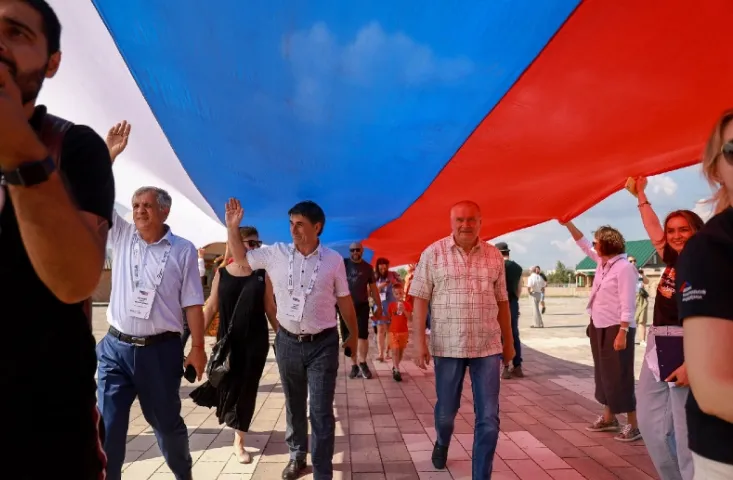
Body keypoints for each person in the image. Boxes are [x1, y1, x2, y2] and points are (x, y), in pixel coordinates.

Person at [0, 0, 113, 475]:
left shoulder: (75, 147)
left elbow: (76, 280)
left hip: (46, 435)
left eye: (16, 32)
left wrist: (17, 147)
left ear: (52, 62)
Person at [98, 122, 207, 480]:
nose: (139, 210)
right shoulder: (122, 235)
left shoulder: (183, 250)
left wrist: (198, 348)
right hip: (115, 349)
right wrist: (109, 155)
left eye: (147, 205)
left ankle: (183, 474)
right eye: (135, 205)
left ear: (164, 212)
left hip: (160, 353)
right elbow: (98, 197)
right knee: (107, 427)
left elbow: (193, 303)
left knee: (166, 426)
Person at [224, 197, 358, 480]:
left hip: (323, 344)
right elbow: (242, 259)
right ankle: (297, 457)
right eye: (291, 223)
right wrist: (232, 228)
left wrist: (353, 335)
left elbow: (345, 300)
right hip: (287, 342)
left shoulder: (333, 261)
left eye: (299, 224)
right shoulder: (276, 254)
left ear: (317, 227)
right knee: (294, 404)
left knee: (320, 410)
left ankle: (322, 470)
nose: (293, 229)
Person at [410, 200, 514, 479]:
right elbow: (420, 299)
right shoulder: (433, 254)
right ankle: (442, 441)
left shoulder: (494, 256)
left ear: (480, 222)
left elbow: (503, 302)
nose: (465, 225)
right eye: (460, 220)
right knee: (446, 412)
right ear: (451, 222)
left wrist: (509, 343)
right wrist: (419, 342)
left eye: (471, 220)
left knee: (489, 417)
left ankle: (481, 475)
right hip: (447, 346)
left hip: (487, 346)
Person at [629, 177, 704, 480]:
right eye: (671, 230)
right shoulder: (673, 259)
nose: (675, 235)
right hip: (660, 343)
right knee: (651, 425)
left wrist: (692, 363)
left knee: (686, 434)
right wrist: (641, 195)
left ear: (698, 232)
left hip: (688, 347)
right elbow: (653, 229)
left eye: (684, 229)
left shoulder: (708, 265)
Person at [675, 110, 733, 479]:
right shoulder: (711, 249)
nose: (675, 236)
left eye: (681, 229)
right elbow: (713, 388)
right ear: (717, 170)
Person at [190, 226, 278, 463]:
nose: (255, 248)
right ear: (237, 243)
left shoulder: (262, 274)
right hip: (228, 343)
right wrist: (196, 342)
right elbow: (210, 306)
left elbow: (270, 308)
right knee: (228, 386)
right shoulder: (222, 274)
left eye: (257, 244)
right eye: (250, 243)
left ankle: (239, 440)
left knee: (247, 389)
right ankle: (233, 418)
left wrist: (283, 337)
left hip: (255, 342)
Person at [561, 220, 641, 442]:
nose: (594, 246)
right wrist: (568, 223)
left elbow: (628, 302)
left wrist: (623, 331)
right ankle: (609, 418)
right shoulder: (602, 262)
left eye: (597, 242)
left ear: (607, 244)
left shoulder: (624, 268)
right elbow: (583, 243)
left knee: (620, 374)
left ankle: (633, 424)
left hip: (617, 327)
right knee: (605, 374)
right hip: (599, 324)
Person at [340, 241, 383, 379]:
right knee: (348, 337)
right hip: (345, 307)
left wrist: (379, 306)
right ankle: (354, 365)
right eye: (352, 250)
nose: (355, 252)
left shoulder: (368, 268)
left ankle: (363, 363)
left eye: (357, 250)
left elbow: (374, 289)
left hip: (362, 306)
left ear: (362, 251)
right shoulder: (343, 264)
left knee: (362, 336)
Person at [496, 242, 524, 379]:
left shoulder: (496, 266)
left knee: (502, 335)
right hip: (512, 302)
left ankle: (505, 367)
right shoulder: (518, 268)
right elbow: (519, 289)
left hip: (498, 303)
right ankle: (517, 366)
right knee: (514, 334)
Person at [374, 257, 400, 360]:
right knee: (380, 330)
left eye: (385, 268)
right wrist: (380, 286)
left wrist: (394, 282)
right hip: (379, 306)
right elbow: (370, 291)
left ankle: (387, 352)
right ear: (377, 267)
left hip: (391, 306)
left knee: (390, 330)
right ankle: (380, 354)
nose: (383, 270)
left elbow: (400, 287)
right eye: (380, 268)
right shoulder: (374, 276)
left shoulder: (393, 274)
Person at [386, 283, 412, 382]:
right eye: (396, 293)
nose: (398, 295)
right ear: (393, 294)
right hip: (393, 332)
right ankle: (396, 370)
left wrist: (404, 310)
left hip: (403, 332)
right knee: (395, 350)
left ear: (403, 293)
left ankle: (395, 365)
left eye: (400, 293)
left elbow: (410, 318)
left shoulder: (407, 305)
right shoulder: (391, 305)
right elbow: (389, 318)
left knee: (400, 352)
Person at [628, 255, 650, 345]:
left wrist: (642, 274)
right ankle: (629, 339)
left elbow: (647, 281)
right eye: (630, 261)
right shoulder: (625, 272)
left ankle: (642, 340)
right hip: (631, 297)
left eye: (634, 260)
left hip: (642, 297)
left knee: (642, 320)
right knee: (631, 320)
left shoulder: (639, 272)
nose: (633, 262)